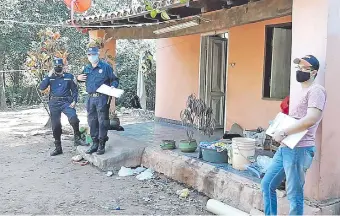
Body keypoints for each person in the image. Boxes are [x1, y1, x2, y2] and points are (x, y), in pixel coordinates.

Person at [261, 55, 327, 215]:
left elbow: (311, 119)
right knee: (267, 184)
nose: (300, 71)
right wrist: (278, 124)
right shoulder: (302, 91)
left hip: (300, 149)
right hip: (287, 147)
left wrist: (283, 131)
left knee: (294, 194)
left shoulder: (316, 91)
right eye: (298, 68)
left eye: (304, 68)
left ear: (314, 72)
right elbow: (297, 119)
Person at [39, 58, 87, 156]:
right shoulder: (50, 77)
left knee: (74, 119)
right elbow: (41, 87)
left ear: (63, 66)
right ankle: (58, 147)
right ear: (53, 67)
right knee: (56, 126)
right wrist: (48, 76)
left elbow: (74, 90)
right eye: (56, 66)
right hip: (54, 102)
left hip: (66, 102)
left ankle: (77, 138)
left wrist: (74, 101)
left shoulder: (69, 77)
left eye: (59, 66)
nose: (58, 67)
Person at [77, 46, 119, 155]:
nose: (91, 56)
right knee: (92, 121)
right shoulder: (87, 68)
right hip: (90, 98)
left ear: (98, 54)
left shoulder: (105, 67)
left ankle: (101, 143)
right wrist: (77, 78)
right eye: (89, 55)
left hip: (102, 97)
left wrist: (113, 86)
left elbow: (114, 80)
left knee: (102, 121)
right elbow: (81, 80)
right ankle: (94, 143)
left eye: (93, 54)